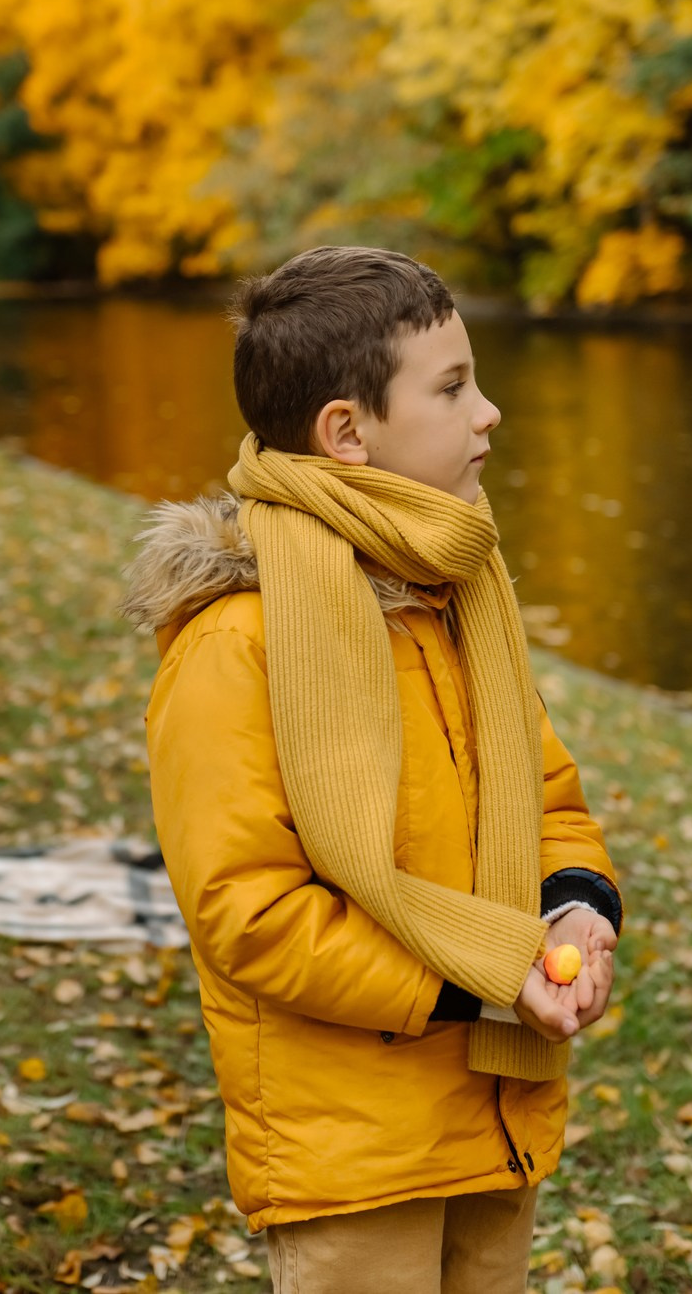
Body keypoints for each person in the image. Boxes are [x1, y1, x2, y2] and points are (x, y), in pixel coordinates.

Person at [122, 246, 622, 1294]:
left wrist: (577, 912)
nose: (487, 412)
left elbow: (545, 798)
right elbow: (250, 912)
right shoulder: (240, 645)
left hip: (493, 1107)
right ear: (347, 432)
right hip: (351, 1150)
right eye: (451, 388)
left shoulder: (452, 596)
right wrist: (479, 980)